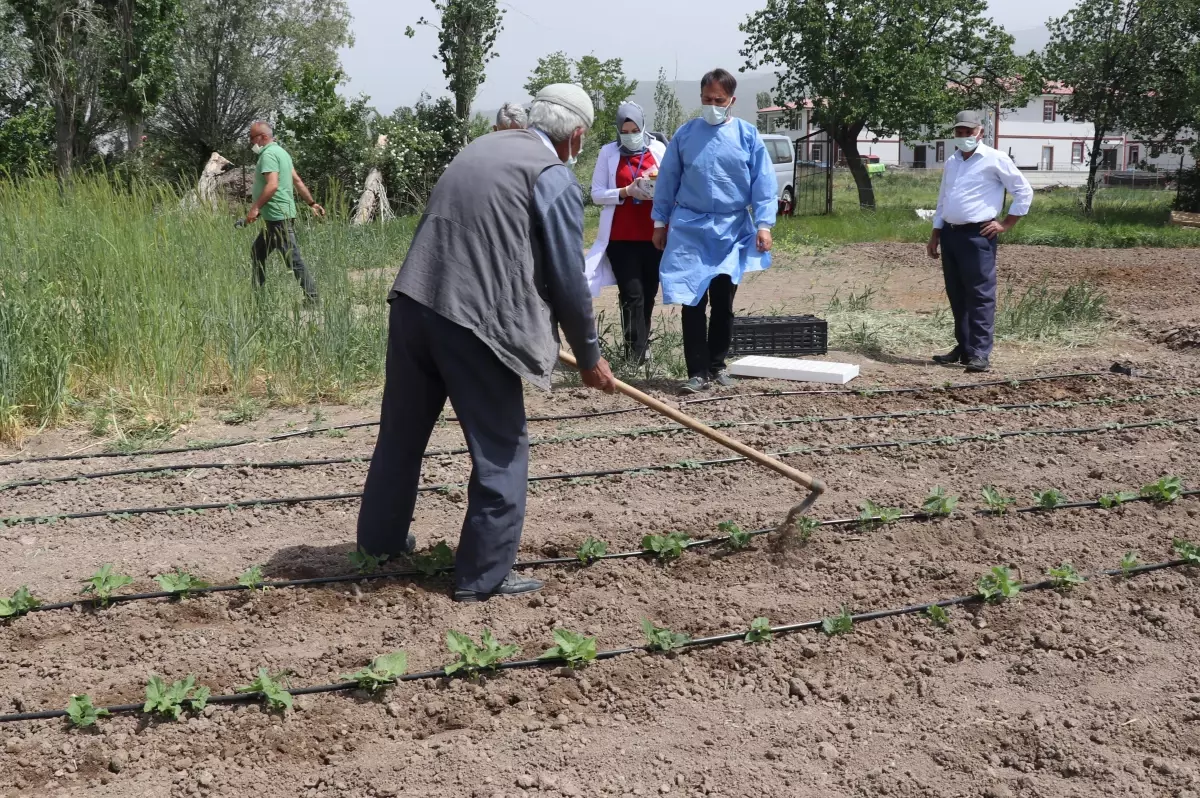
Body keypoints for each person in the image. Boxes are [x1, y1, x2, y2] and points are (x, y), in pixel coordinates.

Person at [356, 84, 617, 604]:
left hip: (413, 302)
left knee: (402, 435)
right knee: (501, 448)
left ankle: (378, 546)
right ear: (578, 136)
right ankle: (483, 576)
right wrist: (589, 356)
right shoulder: (552, 175)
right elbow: (568, 277)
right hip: (472, 322)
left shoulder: (478, 147)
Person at [651, 69, 778, 394]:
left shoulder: (747, 136)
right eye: (707, 100)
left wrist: (764, 225)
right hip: (690, 229)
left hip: (732, 229)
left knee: (723, 300)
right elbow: (667, 180)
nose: (712, 105)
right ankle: (696, 371)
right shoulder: (686, 135)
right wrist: (660, 222)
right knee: (692, 300)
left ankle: (717, 365)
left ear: (731, 101)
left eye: (718, 100)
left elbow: (763, 182)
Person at [926, 111, 1033, 373]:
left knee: (980, 295)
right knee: (957, 293)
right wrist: (936, 234)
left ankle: (980, 353)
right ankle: (963, 347)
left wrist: (1006, 224)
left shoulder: (995, 159)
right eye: (959, 133)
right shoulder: (953, 161)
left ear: (980, 132)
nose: (964, 137)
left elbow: (1023, 191)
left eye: (968, 132)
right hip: (951, 234)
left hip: (978, 235)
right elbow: (943, 199)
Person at [584, 102, 669, 362]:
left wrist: (655, 185)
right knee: (632, 295)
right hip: (621, 237)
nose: (629, 134)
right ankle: (635, 354)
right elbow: (596, 194)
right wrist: (626, 191)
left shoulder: (658, 149)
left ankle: (642, 347)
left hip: (654, 235)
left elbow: (670, 187)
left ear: (643, 126)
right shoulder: (608, 153)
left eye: (634, 129)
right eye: (624, 130)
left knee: (649, 293)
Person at [245, 121, 325, 300]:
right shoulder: (282, 153)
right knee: (257, 252)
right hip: (277, 215)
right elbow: (297, 181)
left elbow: (272, 185)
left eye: (253, 138)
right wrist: (311, 203)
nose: (251, 142)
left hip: (277, 216)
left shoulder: (268, 155)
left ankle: (313, 298)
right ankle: (258, 296)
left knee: (292, 258)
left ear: (264, 137)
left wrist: (255, 208)